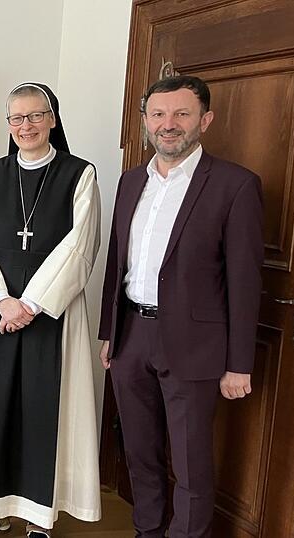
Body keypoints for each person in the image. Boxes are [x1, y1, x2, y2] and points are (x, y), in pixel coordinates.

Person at [98, 75, 263, 537]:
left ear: (204, 121)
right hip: (131, 337)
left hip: (196, 347)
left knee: (190, 463)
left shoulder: (235, 185)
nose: (168, 125)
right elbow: (118, 261)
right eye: (158, 114)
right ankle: (147, 531)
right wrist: (109, 332)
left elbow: (246, 282)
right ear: (146, 121)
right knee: (139, 453)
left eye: (181, 114)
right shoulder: (131, 182)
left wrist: (239, 365)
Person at [0, 82, 102, 538]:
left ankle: (40, 516)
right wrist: (1, 301)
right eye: (16, 118)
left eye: (35, 116)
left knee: (41, 412)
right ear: (8, 125)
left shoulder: (80, 174)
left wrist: (30, 304)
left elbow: (80, 247)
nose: (25, 126)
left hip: (49, 314)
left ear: (53, 119)